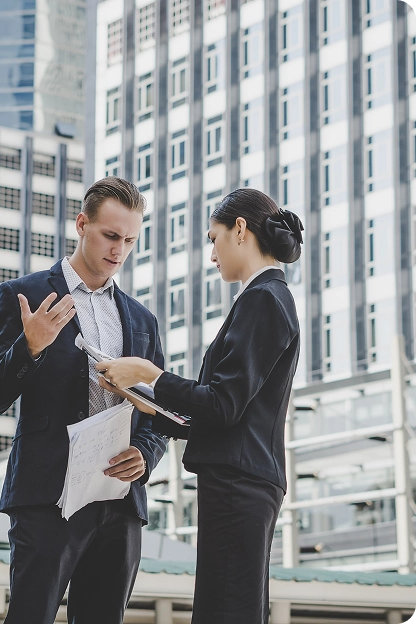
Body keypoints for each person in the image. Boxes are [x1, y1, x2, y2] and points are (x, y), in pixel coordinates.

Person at [96, 188, 303, 624]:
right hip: (242, 481)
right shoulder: (264, 297)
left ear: (240, 230)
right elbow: (226, 411)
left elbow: (223, 404)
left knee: (223, 611)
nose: (212, 254)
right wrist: (155, 409)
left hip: (238, 483)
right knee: (230, 608)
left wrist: (149, 375)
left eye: (214, 238)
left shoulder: (263, 298)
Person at [0, 177, 168, 624]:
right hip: (48, 496)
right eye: (111, 236)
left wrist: (145, 454)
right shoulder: (24, 295)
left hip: (119, 501)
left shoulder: (142, 319)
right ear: (82, 224)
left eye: (130, 240)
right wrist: (30, 347)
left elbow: (158, 412)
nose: (119, 250)